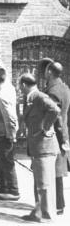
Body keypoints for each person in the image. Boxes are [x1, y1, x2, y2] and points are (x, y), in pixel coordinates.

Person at [19, 73, 61, 222]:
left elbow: (55, 110)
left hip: (45, 147)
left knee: (44, 183)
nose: (20, 89)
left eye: (20, 86)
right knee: (39, 182)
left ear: (23, 85)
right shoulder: (30, 98)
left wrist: (46, 126)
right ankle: (38, 211)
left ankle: (46, 215)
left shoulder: (40, 97)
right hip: (37, 147)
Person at [40, 58, 70, 215]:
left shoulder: (53, 91)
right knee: (57, 172)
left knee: (53, 172)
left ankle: (56, 204)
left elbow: (55, 116)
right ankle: (58, 204)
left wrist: (61, 137)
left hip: (54, 136)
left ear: (50, 72)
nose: (44, 73)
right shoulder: (64, 87)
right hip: (62, 133)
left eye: (46, 70)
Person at [0, 67, 20, 200]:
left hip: (6, 133)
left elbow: (11, 117)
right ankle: (3, 187)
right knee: (2, 159)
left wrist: (12, 135)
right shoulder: (6, 86)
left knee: (7, 161)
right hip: (0, 132)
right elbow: (3, 71)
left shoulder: (2, 95)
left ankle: (13, 190)